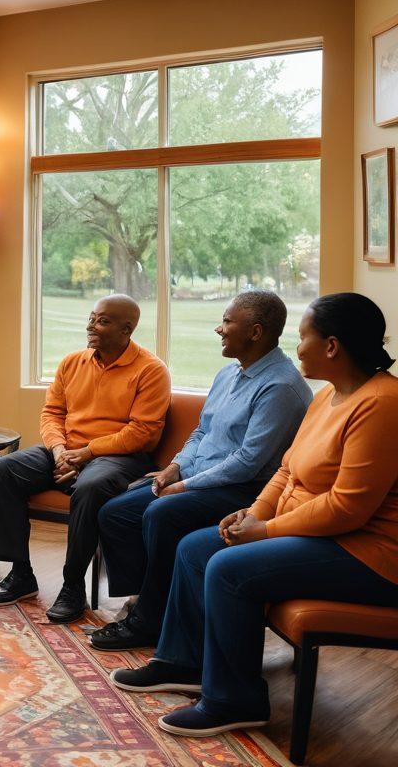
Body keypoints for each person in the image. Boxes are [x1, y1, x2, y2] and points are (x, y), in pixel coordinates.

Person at [111, 293, 398, 738]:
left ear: (332, 346)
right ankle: (182, 663)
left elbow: (347, 508)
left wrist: (265, 530)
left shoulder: (382, 404)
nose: (296, 347)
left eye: (303, 336)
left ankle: (236, 699)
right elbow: (287, 469)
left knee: (227, 567)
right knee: (195, 546)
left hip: (367, 552)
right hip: (313, 531)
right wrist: (254, 512)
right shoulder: (328, 396)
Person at [92, 291, 312, 650]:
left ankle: (148, 621)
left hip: (245, 490)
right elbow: (202, 431)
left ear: (255, 332)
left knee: (163, 512)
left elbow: (247, 462)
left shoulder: (281, 387)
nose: (218, 329)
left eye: (227, 322)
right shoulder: (228, 373)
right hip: (201, 477)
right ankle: (150, 602)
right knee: (116, 511)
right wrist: (175, 468)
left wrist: (186, 486)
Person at [0, 294, 171, 623]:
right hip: (67, 450)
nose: (91, 325)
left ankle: (73, 587)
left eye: (102, 321)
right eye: (91, 317)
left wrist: (86, 453)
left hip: (120, 456)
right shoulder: (72, 362)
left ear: (127, 329)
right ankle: (20, 573)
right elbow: (52, 414)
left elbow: (144, 433)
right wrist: (59, 451)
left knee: (91, 486)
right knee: (4, 470)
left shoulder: (151, 370)